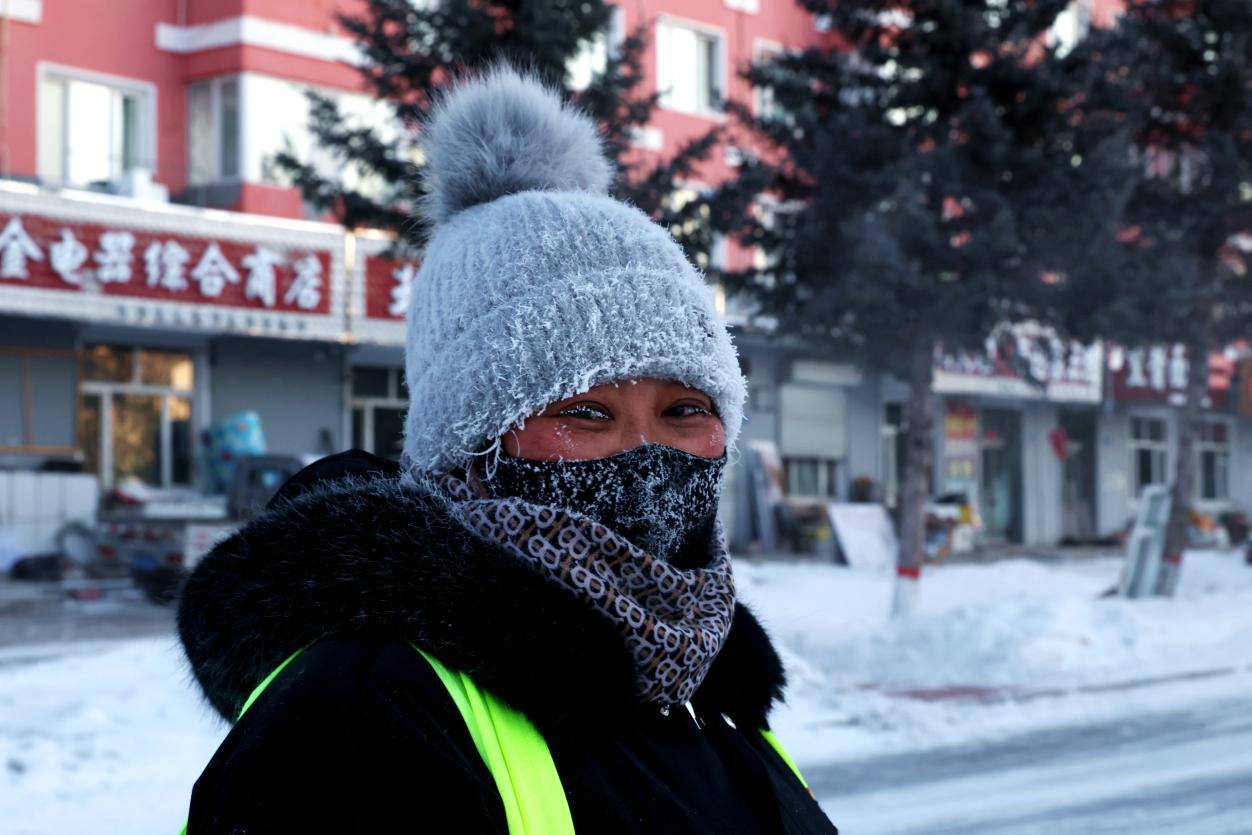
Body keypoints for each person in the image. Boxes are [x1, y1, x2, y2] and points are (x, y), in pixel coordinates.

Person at [177, 64, 838, 835]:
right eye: (585, 411)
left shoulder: (702, 684)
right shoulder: (364, 716)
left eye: (685, 409)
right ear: (469, 444)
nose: (649, 452)